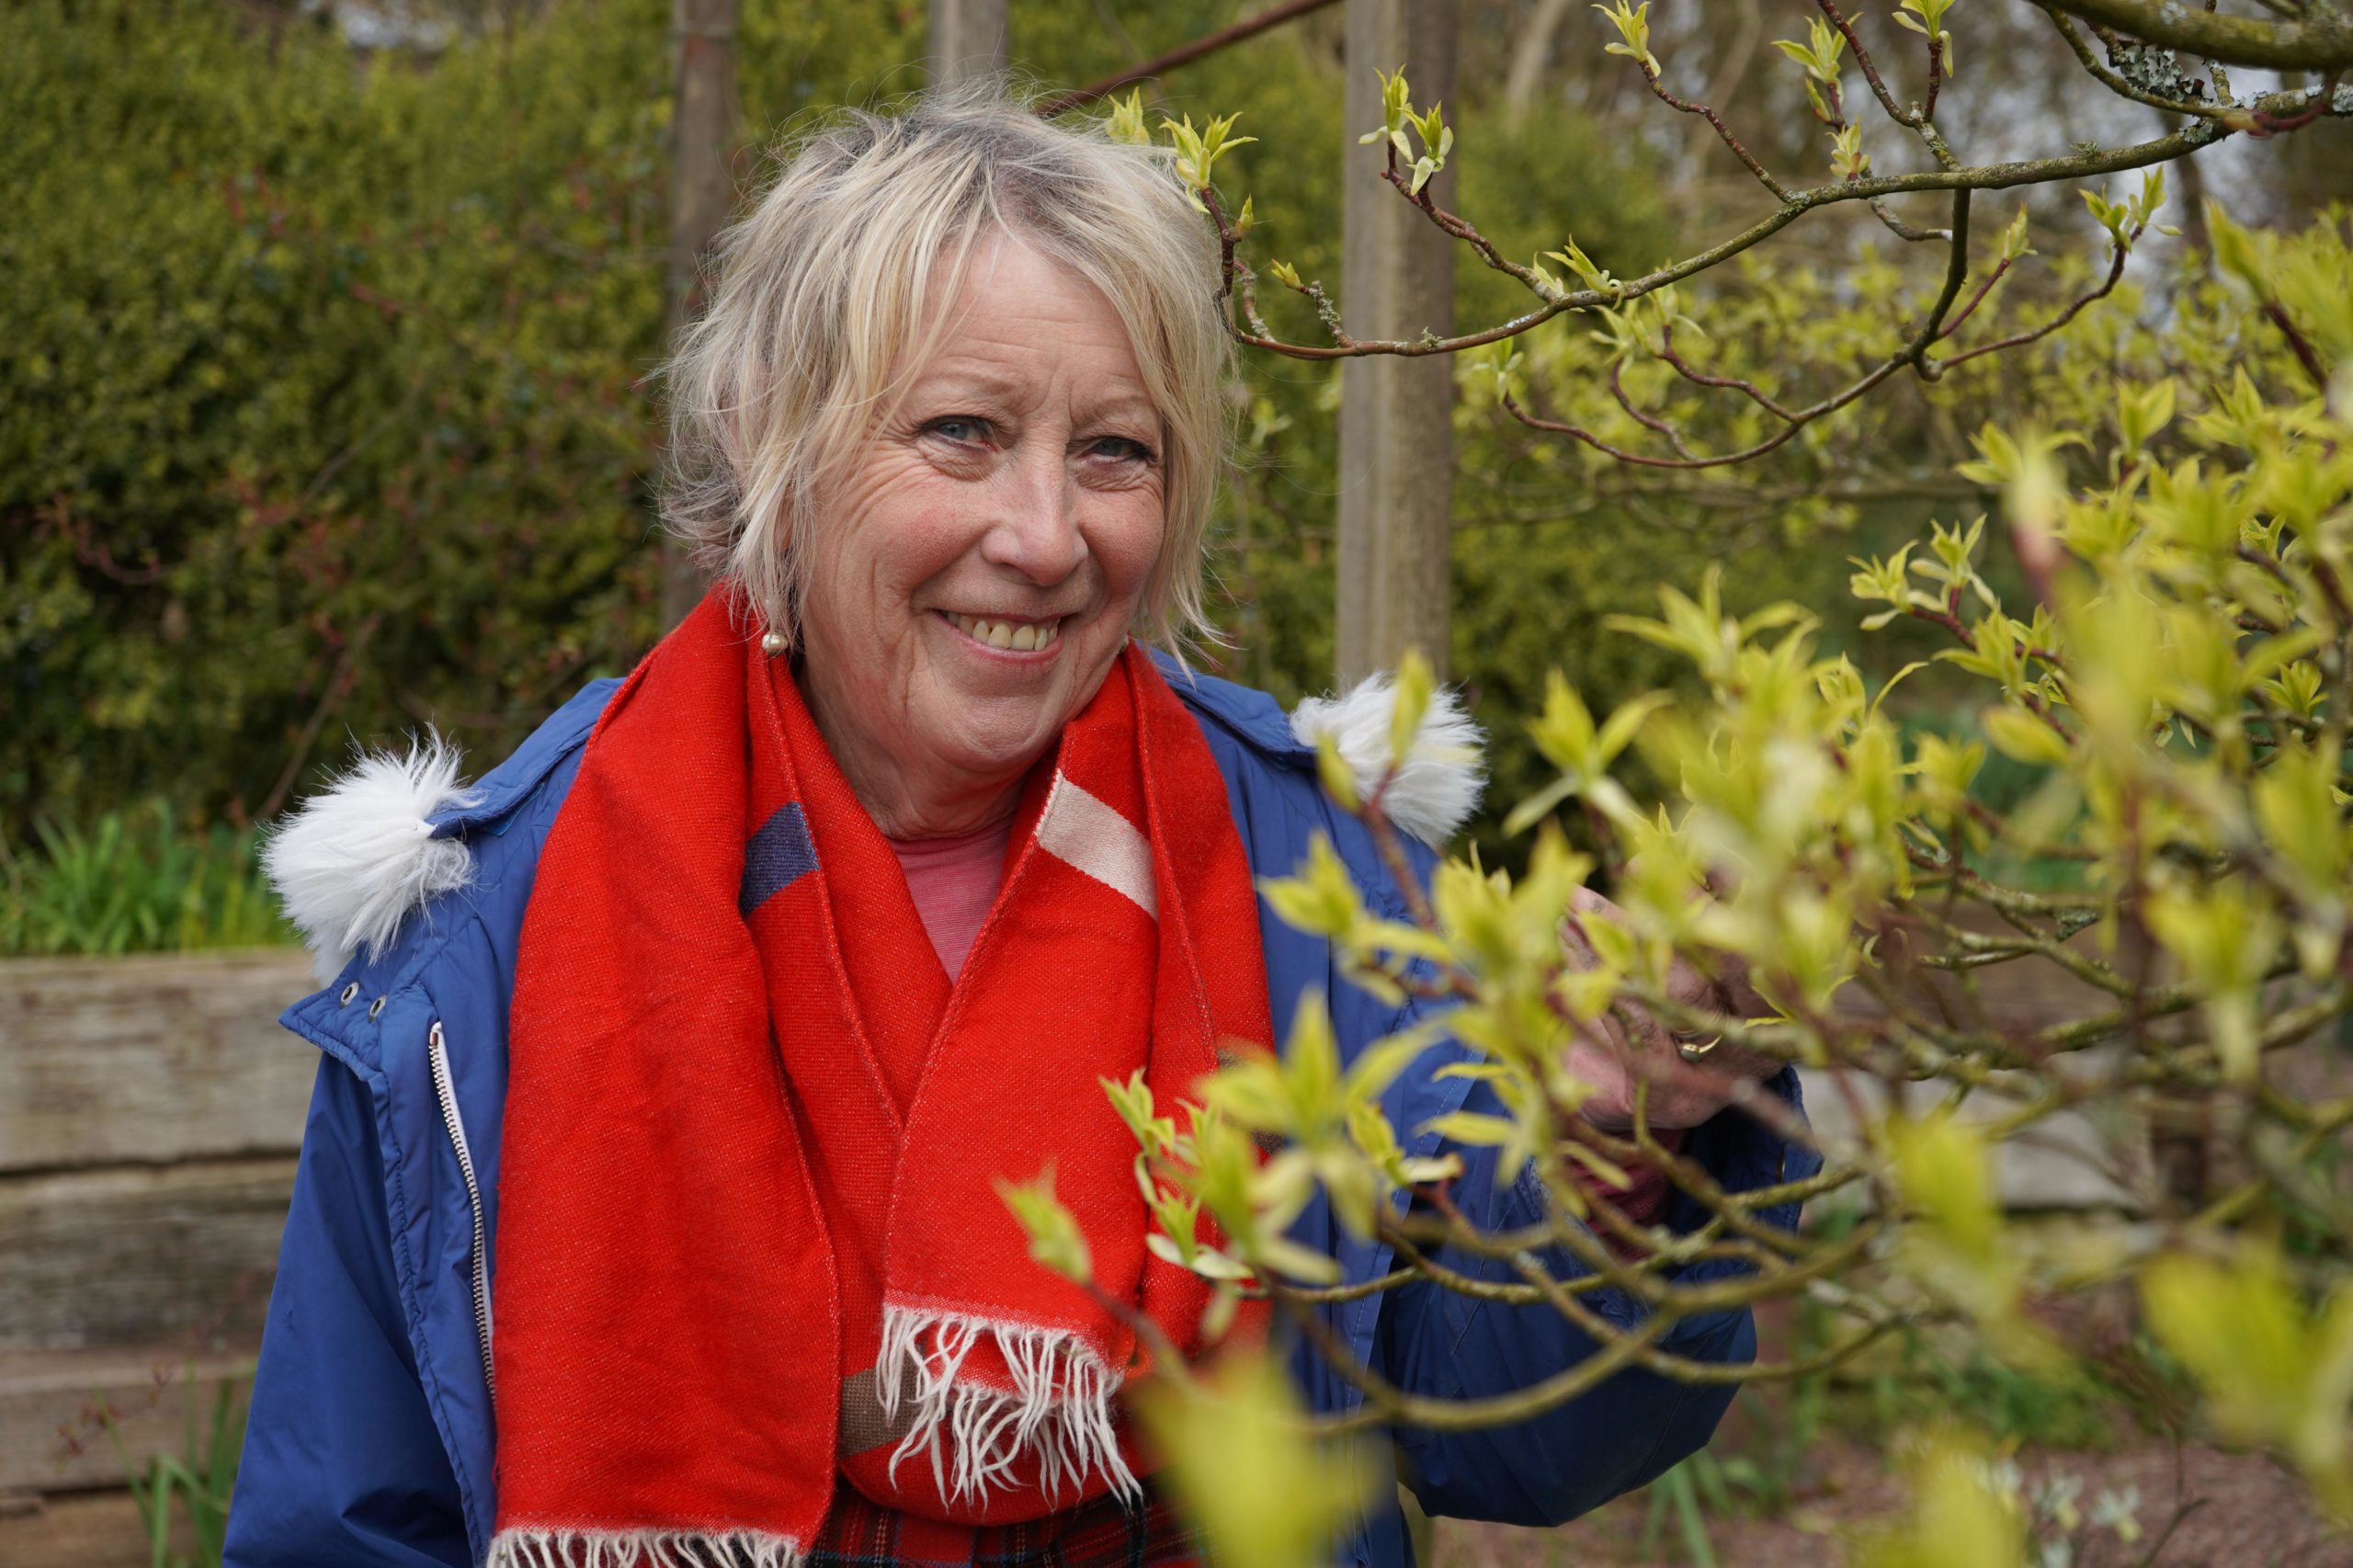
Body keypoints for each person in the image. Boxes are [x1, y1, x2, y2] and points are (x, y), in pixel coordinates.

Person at [224, 85, 1813, 1568]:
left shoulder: (1304, 865)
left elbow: (1514, 1428)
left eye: (1112, 452)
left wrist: (1613, 1141)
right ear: (780, 445)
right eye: (962, 433)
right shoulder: (491, 925)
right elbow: (352, 1519)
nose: (1047, 538)